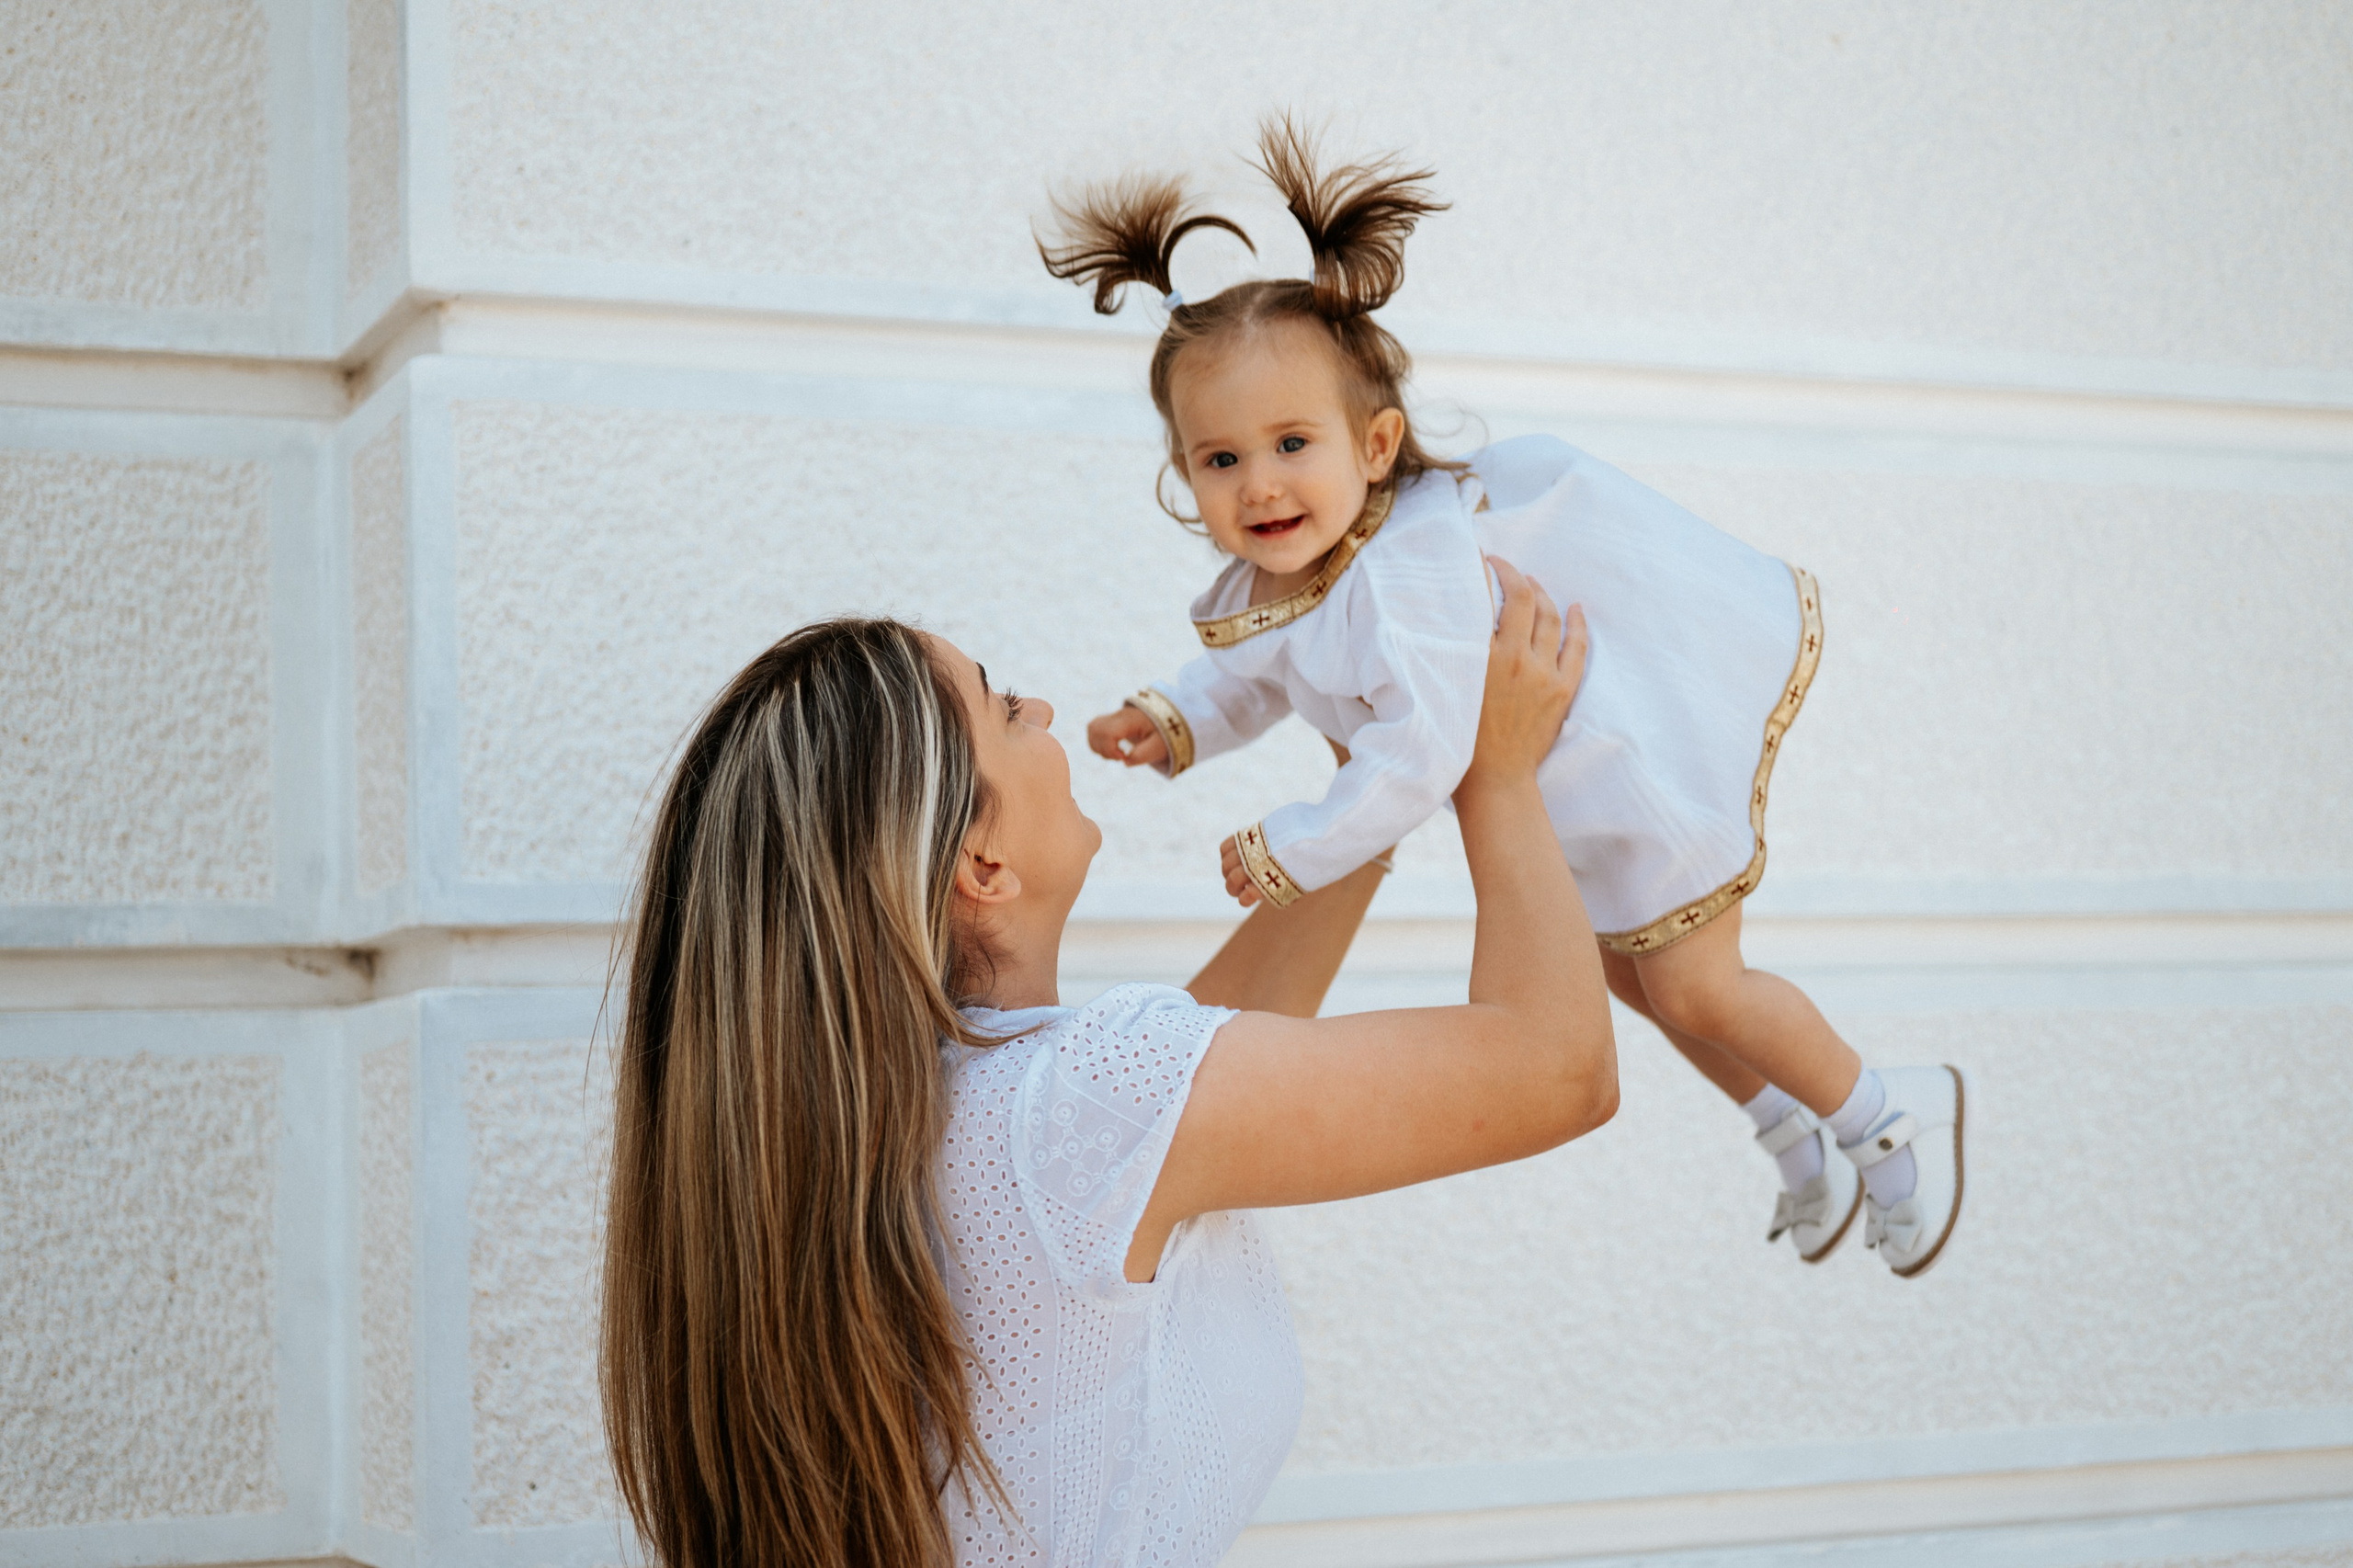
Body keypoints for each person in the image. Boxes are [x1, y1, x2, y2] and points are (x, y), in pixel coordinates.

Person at [1045, 120, 1963, 1278]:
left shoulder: (1409, 575)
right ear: (1186, 473)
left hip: (1623, 762)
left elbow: (1426, 749)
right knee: (1629, 972)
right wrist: (1175, 720)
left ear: (1375, 446)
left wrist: (1299, 845)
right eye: (1220, 460)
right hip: (1560, 794)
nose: (1260, 482)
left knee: (1693, 977)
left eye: (1290, 442)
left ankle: (1887, 1108)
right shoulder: (1288, 573)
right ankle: (1784, 1124)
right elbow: (1255, 674)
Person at [599, 567, 1616, 1568]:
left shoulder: (938, 1117)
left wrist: (1382, 777)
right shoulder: (1078, 1100)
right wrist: (1495, 769)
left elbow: (1205, 1070)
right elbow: (1559, 1066)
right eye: (1002, 708)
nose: (1038, 704)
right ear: (980, 864)